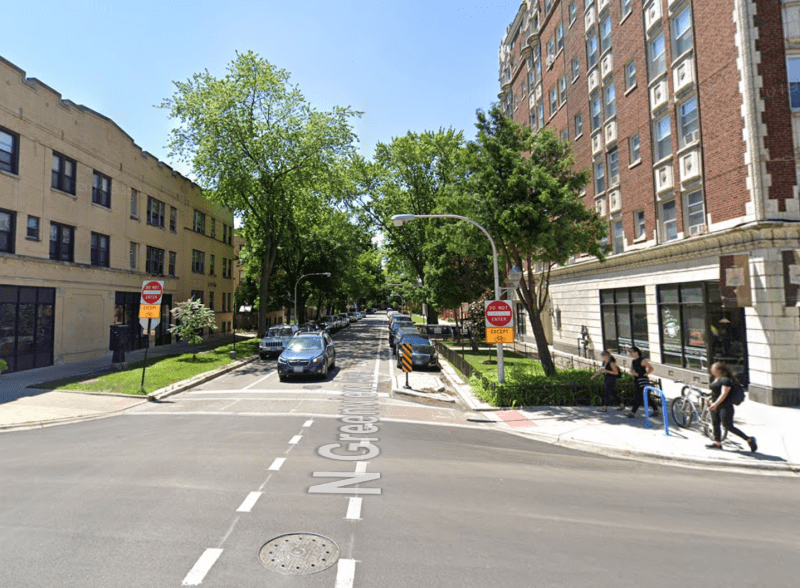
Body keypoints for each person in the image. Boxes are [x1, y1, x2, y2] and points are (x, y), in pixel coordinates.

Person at [706, 362, 757, 452]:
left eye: (713, 369)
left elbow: (724, 393)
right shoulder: (715, 378)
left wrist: (715, 404)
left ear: (718, 370)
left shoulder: (726, 380)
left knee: (728, 426)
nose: (711, 370)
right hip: (715, 405)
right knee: (715, 423)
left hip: (725, 406)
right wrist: (709, 398)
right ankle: (717, 443)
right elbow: (715, 391)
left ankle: (749, 439)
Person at [626, 346, 656, 418]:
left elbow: (651, 368)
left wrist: (646, 374)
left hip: (643, 380)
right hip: (637, 380)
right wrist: (633, 372)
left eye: (632, 352)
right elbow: (631, 369)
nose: (631, 354)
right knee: (646, 397)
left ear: (636, 353)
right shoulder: (633, 361)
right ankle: (656, 410)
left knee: (638, 396)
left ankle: (632, 412)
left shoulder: (642, 361)